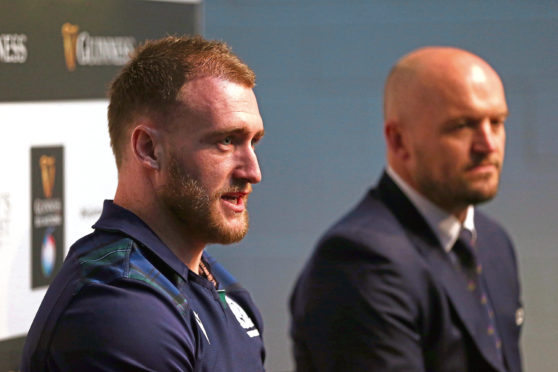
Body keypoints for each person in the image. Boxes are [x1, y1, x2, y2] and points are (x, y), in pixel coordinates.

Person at [22, 35, 266, 371]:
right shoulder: (119, 305)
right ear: (149, 149)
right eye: (226, 141)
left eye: (254, 142)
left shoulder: (214, 280)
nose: (253, 172)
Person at [290, 47, 523, 372]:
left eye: (497, 122)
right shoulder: (359, 260)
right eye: (462, 126)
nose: (488, 145)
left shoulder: (494, 241)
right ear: (399, 141)